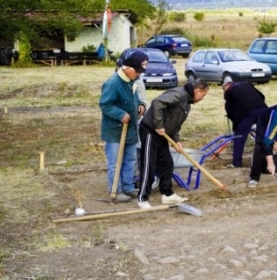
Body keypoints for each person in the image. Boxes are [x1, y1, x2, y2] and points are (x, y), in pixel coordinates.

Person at [136, 79, 210, 209]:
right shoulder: (178, 94)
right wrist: (158, 124)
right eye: (203, 95)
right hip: (150, 131)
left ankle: (167, 195)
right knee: (149, 165)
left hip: (162, 135)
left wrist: (176, 141)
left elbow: (174, 124)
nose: (202, 98)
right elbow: (157, 102)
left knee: (167, 164)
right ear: (198, 90)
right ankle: (142, 198)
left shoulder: (187, 103)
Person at [99, 50, 148, 203]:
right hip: (115, 131)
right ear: (128, 68)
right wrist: (120, 113)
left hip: (130, 130)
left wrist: (140, 105)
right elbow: (105, 104)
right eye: (137, 71)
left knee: (130, 160)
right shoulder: (113, 83)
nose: (139, 75)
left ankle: (127, 187)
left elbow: (135, 99)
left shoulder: (131, 81)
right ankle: (116, 190)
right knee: (115, 162)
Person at [222, 76, 268, 168]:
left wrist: (236, 126)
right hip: (263, 111)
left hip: (247, 114)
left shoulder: (229, 91)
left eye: (223, 89)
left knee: (239, 138)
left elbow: (229, 110)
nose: (224, 91)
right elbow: (262, 96)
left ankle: (237, 163)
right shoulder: (247, 84)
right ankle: (267, 160)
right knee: (263, 136)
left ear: (227, 85)